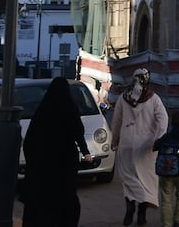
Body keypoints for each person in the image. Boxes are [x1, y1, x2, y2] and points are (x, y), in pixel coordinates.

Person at [20, 77, 94, 227]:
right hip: (65, 161)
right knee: (65, 196)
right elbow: (77, 132)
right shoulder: (70, 108)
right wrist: (85, 152)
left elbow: (30, 141)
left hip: (44, 162)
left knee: (44, 197)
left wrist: (33, 161)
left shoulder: (43, 110)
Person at [111, 68, 169, 225]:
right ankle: (142, 214)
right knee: (145, 180)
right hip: (146, 147)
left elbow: (116, 122)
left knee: (129, 178)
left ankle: (130, 206)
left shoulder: (123, 98)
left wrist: (114, 141)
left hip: (126, 144)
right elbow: (163, 120)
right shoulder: (154, 98)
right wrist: (159, 138)